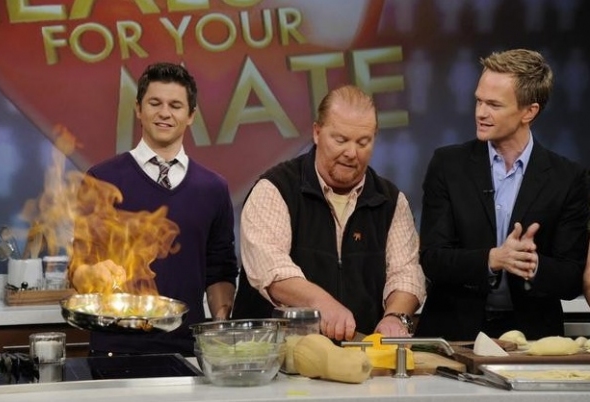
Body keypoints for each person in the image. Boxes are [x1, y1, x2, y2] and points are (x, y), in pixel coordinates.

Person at [415, 49, 590, 341]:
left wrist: (532, 264)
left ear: (529, 112)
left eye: (494, 105)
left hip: (531, 339)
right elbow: (432, 258)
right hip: (454, 334)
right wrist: (494, 258)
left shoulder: (568, 178)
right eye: (479, 101)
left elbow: (572, 278)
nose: (480, 113)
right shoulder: (447, 165)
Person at [232, 85, 426, 341]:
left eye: (363, 142)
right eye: (340, 140)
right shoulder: (275, 189)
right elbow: (271, 269)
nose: (351, 153)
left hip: (361, 357)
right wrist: (321, 303)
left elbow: (406, 273)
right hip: (272, 355)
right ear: (317, 132)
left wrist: (395, 316)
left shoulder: (391, 202)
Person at [69, 62, 238, 356]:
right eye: (155, 103)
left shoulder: (213, 188)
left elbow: (220, 269)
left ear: (191, 115)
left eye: (175, 105)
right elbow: (78, 266)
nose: (164, 113)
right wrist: (90, 274)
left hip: (188, 350)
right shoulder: (101, 179)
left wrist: (220, 326)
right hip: (114, 350)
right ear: (138, 109)